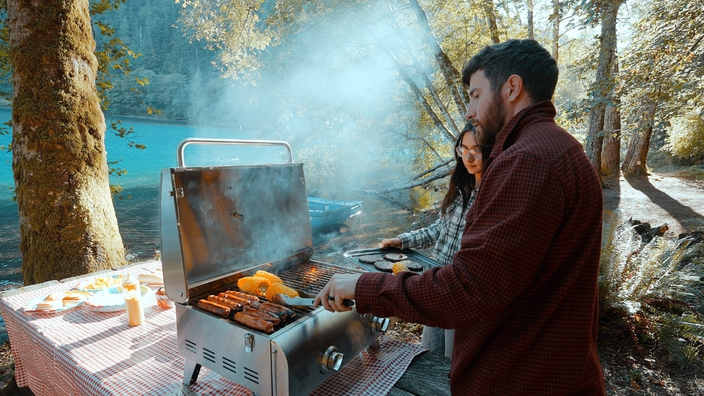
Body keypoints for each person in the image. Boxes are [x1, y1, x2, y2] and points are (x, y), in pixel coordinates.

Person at [315, 38, 606, 395]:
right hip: (542, 368)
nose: (470, 110)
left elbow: (469, 290)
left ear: (512, 88)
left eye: (476, 95)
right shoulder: (558, 148)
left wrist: (363, 287)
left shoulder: (527, 160)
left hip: (522, 378)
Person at [378, 122, 490, 358]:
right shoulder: (460, 189)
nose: (468, 157)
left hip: (460, 290)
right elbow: (439, 229)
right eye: (464, 148)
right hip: (436, 284)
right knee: (428, 350)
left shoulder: (492, 195)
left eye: (476, 149)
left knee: (453, 358)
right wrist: (401, 241)